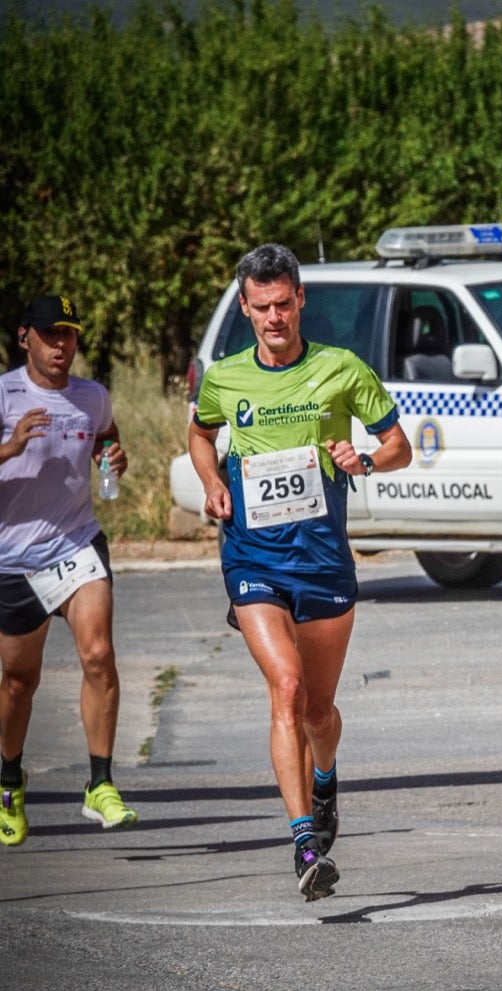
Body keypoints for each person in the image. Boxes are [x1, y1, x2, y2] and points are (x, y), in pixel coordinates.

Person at [188, 244, 411, 900]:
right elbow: (201, 434)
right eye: (261, 308)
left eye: (284, 304)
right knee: (284, 689)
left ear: (301, 299)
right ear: (246, 308)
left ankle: (326, 777)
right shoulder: (226, 377)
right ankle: (304, 842)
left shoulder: (341, 369)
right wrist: (211, 481)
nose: (274, 318)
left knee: (318, 710)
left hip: (323, 560)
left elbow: (399, 444)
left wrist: (363, 459)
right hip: (253, 556)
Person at [0, 294, 138, 846]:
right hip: (13, 559)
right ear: (23, 337)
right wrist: (9, 448)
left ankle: (100, 784)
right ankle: (9, 781)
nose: (62, 346)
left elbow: (107, 440)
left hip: (77, 545)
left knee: (99, 654)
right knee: (18, 682)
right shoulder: (5, 393)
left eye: (70, 335)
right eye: (50, 334)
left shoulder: (92, 396)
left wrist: (115, 459)